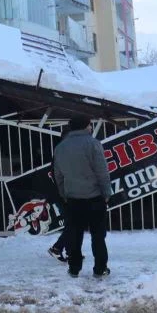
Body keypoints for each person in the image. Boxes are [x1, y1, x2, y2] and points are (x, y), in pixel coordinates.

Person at [53, 115, 112, 278]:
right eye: (90, 125)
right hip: (95, 197)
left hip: (73, 199)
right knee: (98, 236)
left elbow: (58, 175)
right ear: (86, 126)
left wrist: (64, 194)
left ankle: (74, 268)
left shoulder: (60, 148)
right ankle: (100, 268)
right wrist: (106, 193)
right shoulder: (93, 144)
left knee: (74, 235)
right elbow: (102, 171)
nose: (91, 128)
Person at [48, 128, 71, 262]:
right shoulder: (63, 151)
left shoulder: (62, 150)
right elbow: (59, 175)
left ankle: (69, 251)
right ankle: (58, 247)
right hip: (64, 193)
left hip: (63, 192)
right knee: (73, 222)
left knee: (72, 222)